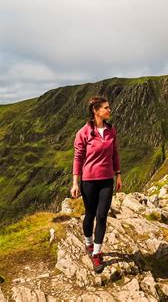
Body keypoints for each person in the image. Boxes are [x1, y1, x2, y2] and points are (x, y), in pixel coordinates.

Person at [70, 96, 122, 274]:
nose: (109, 110)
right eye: (106, 108)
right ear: (96, 110)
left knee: (102, 216)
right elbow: (78, 158)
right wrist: (75, 183)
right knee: (90, 215)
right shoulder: (83, 133)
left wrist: (118, 174)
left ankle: (97, 253)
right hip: (89, 181)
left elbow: (114, 153)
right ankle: (88, 244)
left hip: (107, 180)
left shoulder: (111, 130)